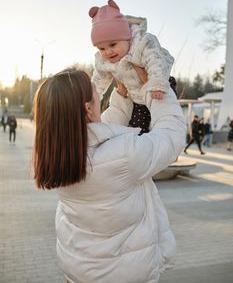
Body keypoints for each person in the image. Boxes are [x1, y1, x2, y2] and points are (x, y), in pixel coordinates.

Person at [32, 68, 186, 283]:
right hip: (123, 274)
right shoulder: (124, 155)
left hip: (79, 268)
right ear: (87, 107)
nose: (99, 90)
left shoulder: (58, 155)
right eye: (94, 88)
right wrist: (158, 91)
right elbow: (172, 137)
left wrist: (122, 96)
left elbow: (102, 129)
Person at [89, 0, 174, 134]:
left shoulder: (142, 43)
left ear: (126, 38)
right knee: (137, 130)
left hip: (158, 83)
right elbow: (99, 79)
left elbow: (156, 61)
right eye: (102, 48)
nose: (108, 52)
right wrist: (91, 98)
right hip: (136, 97)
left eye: (113, 45)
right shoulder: (103, 61)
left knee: (162, 123)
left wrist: (157, 83)